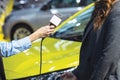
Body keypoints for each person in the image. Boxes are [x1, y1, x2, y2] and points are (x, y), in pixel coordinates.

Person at [61, 0, 120, 80]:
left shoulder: (117, 11)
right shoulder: (101, 8)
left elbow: (110, 55)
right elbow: (91, 52)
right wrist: (77, 74)